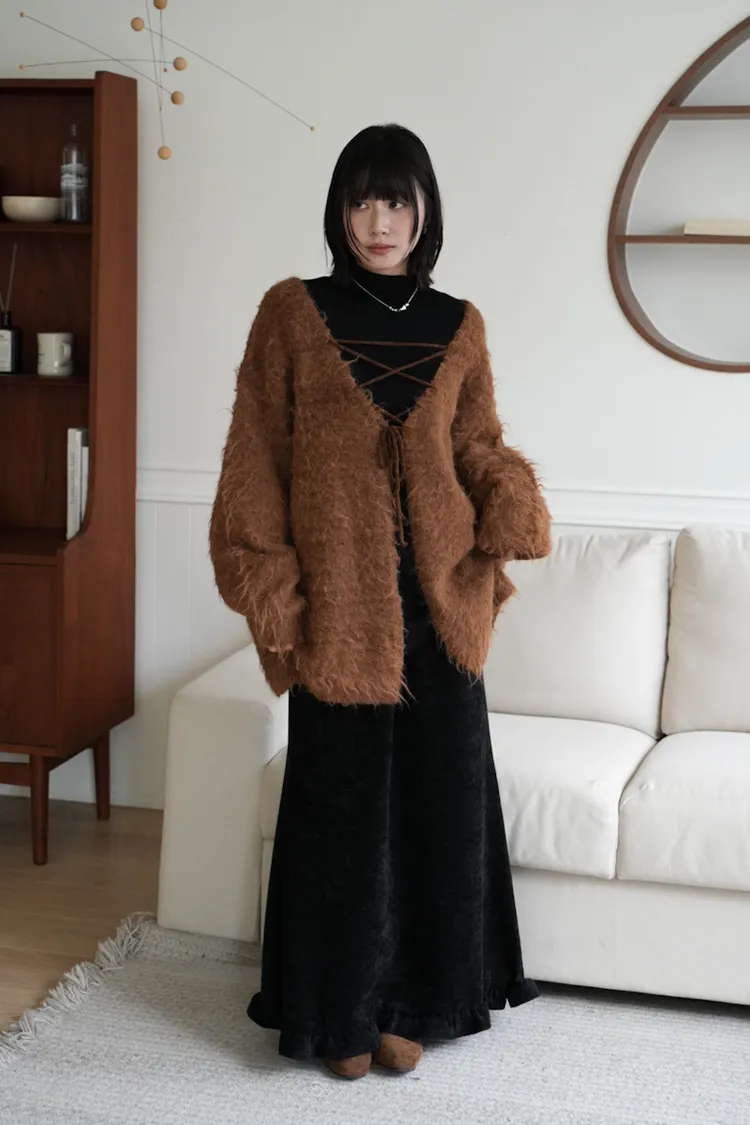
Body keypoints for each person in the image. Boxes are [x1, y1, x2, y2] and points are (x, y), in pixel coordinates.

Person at [209, 123, 552, 1081]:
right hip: (339, 606)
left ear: (424, 209)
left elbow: (474, 443)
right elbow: (255, 465)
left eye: (396, 200)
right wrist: (278, 596)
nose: (378, 220)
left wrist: (509, 495)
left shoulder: (459, 323)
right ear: (339, 210)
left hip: (442, 603)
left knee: (441, 806)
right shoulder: (292, 313)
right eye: (361, 200)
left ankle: (418, 1005)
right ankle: (340, 1015)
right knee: (340, 815)